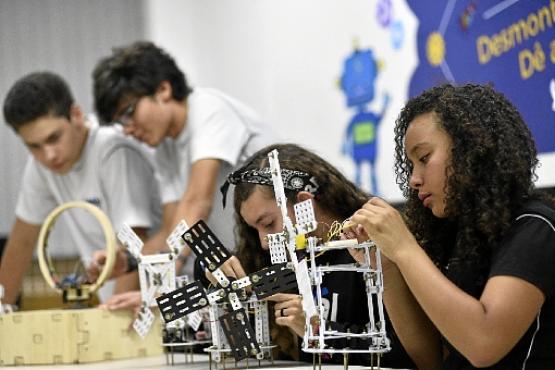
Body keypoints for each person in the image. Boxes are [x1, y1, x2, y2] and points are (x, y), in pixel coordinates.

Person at [347, 83, 555, 369]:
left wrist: (404, 247)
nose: (414, 179)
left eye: (424, 159)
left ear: (473, 149)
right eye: (411, 165)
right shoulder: (458, 237)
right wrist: (387, 263)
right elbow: (431, 359)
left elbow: (484, 343)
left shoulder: (535, 226)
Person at [212, 143, 414, 367]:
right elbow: (223, 277)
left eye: (268, 223)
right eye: (254, 230)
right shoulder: (281, 263)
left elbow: (406, 356)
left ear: (304, 203)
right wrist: (213, 268)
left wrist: (319, 332)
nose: (263, 243)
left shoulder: (371, 249)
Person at [92, 41, 279, 277]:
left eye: (128, 113)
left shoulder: (209, 110)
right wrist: (129, 261)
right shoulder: (164, 148)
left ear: (163, 90)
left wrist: (162, 283)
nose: (127, 129)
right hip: (246, 262)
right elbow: (174, 230)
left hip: (281, 253)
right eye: (120, 122)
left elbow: (197, 203)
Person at [0, 71, 162, 305]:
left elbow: (134, 243)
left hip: (159, 299)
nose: (49, 155)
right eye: (34, 146)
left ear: (76, 114)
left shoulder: (113, 149)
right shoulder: (41, 164)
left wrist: (110, 324)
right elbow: (21, 243)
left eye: (54, 138)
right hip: (117, 303)